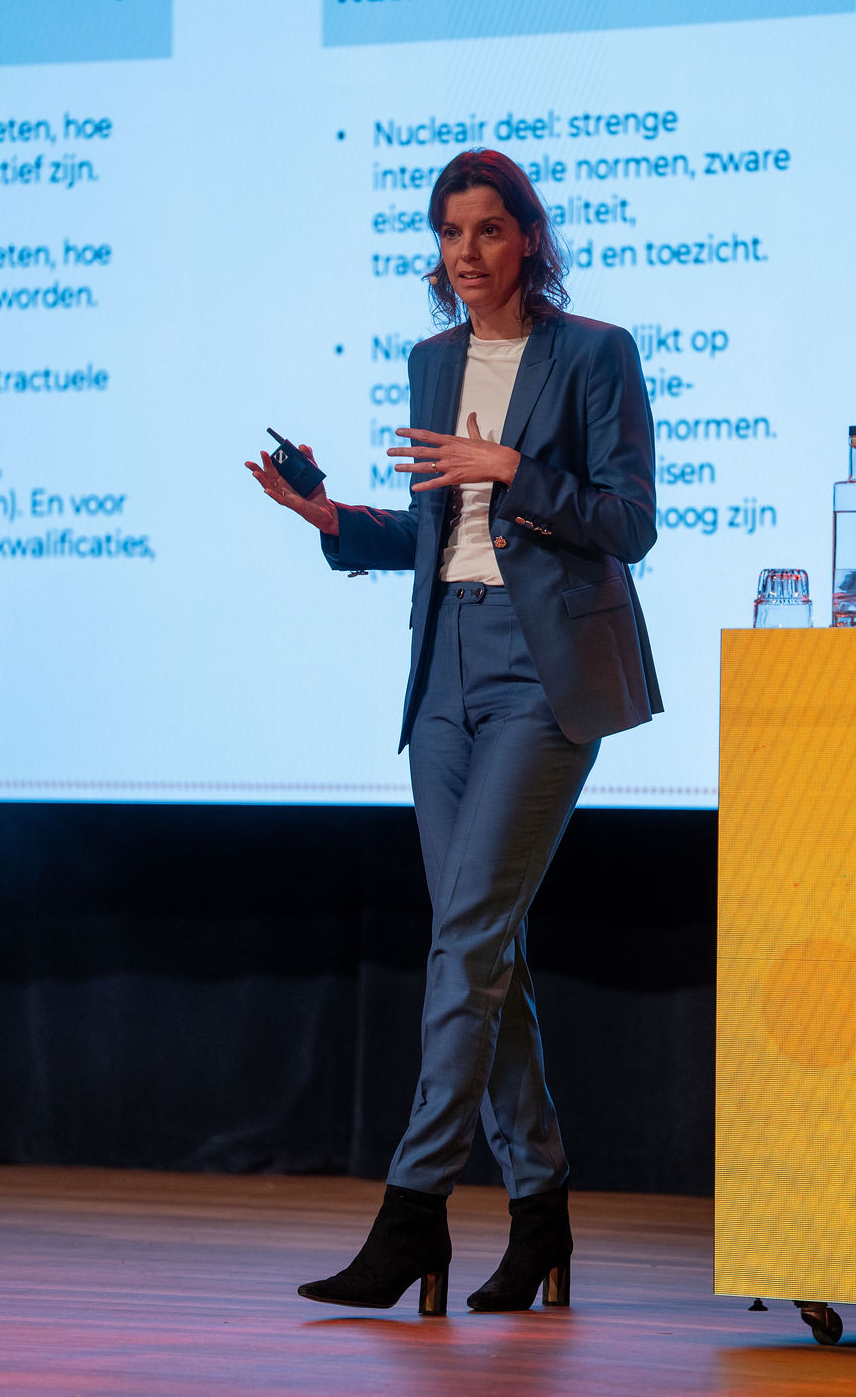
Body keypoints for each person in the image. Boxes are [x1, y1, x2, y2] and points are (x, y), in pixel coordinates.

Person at [246, 149, 661, 1315]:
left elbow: (630, 523)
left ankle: (413, 1207)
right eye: (447, 233)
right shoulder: (433, 363)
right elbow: (438, 534)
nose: (465, 253)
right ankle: (540, 1209)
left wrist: (512, 468)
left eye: (486, 229)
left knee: (468, 938)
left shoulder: (594, 353)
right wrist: (332, 516)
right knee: (482, 948)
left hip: (545, 673)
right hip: (444, 674)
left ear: (528, 237)